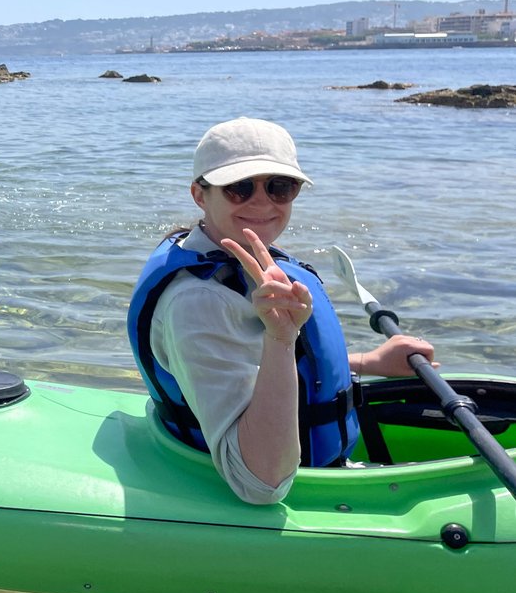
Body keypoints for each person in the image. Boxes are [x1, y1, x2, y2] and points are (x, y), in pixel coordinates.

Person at [127, 117, 434, 504]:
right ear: (199, 195)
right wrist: (281, 338)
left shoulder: (220, 252)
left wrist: (368, 362)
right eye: (239, 188)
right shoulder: (199, 301)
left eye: (280, 187)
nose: (262, 202)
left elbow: (253, 364)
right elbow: (260, 483)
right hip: (290, 485)